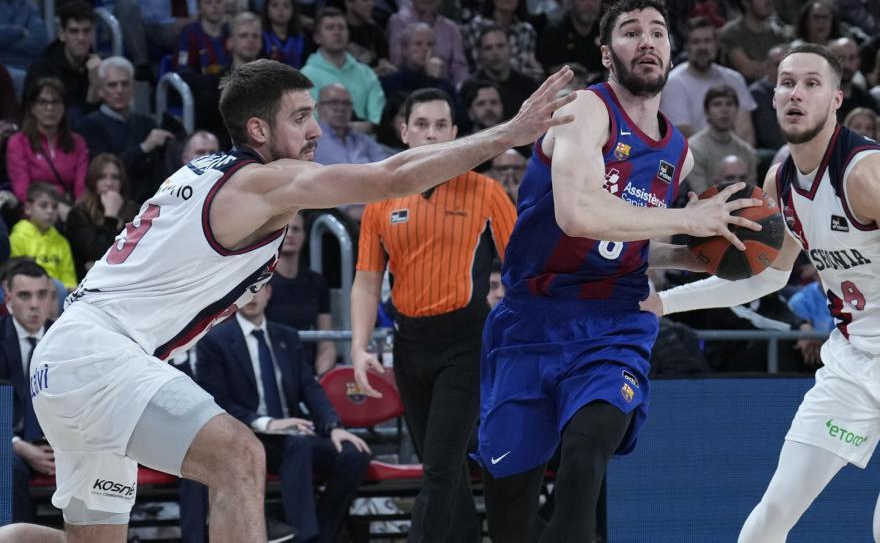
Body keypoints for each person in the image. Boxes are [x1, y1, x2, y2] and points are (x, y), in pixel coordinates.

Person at [18, 58, 572, 543]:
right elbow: (392, 174)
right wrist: (507, 134)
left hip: (65, 359)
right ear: (258, 128)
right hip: (100, 355)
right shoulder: (260, 183)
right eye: (300, 118)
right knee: (240, 458)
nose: (315, 132)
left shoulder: (203, 172)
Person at [648, 43, 880, 543]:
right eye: (787, 83)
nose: (797, 93)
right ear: (773, 98)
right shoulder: (780, 180)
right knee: (771, 515)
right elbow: (769, 276)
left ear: (836, 99)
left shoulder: (868, 174)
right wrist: (665, 300)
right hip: (856, 360)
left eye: (812, 84)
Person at [476, 0, 762, 542]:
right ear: (608, 54)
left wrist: (697, 255)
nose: (647, 40)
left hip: (615, 320)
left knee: (585, 461)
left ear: (671, 51)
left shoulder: (676, 150)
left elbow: (624, 242)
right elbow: (578, 214)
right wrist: (688, 217)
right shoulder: (585, 109)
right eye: (631, 32)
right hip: (531, 320)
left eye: (658, 31)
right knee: (511, 519)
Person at [351, 87, 518, 543]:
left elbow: (523, 268)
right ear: (404, 133)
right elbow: (366, 280)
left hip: (466, 342)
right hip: (409, 345)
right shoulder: (379, 199)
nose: (431, 134)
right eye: (421, 125)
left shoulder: (486, 191)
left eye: (441, 125)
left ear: (456, 134)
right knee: (442, 471)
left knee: (442, 469)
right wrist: (360, 347)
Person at [195, 283, 369, 543]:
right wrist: (268, 423)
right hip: (247, 437)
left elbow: (310, 388)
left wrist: (334, 427)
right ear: (235, 296)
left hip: (293, 434)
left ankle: (321, 534)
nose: (252, 297)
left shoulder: (286, 336)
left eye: (259, 289)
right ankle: (305, 537)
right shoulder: (215, 340)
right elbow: (218, 403)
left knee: (354, 455)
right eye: (246, 291)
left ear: (269, 293)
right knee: (297, 445)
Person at [0, 259, 55, 524]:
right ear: (8, 296)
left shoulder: (69, 338)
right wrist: (17, 445)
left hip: (65, 443)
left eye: (41, 295)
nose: (34, 305)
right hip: (12, 442)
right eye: (24, 295)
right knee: (5, 464)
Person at [76, 57, 176, 204]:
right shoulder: (88, 126)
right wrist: (143, 148)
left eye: (125, 84)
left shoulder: (147, 123)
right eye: (112, 85)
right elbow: (102, 172)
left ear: (133, 88)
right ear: (100, 91)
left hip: (149, 203)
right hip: (107, 203)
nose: (119, 90)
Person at [660, 17, 756, 143]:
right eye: (696, 42)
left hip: (736, 153)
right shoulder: (672, 83)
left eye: (707, 41)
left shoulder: (734, 79)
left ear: (716, 45)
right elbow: (683, 133)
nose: (702, 47)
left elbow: (746, 132)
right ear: (687, 47)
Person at [265, 213, 336, 375]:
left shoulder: (317, 283)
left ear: (304, 236)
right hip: (270, 370)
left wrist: (318, 378)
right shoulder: (260, 282)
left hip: (308, 370)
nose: (289, 234)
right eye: (285, 229)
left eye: (296, 229)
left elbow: (326, 342)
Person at [5, 78, 89, 215]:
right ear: (32, 108)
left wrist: (75, 216)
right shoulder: (18, 142)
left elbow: (82, 188)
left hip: (70, 211)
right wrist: (51, 208)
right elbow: (22, 190)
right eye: (43, 102)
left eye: (55, 102)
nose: (50, 108)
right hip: (33, 213)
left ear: (64, 108)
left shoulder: (77, 142)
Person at [301, 8, 385, 127]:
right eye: (330, 28)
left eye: (341, 27)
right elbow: (311, 121)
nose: (337, 32)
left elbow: (378, 118)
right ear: (317, 37)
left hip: (367, 141)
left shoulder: (366, 73)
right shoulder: (305, 76)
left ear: (348, 34)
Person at [23, 0, 102, 124]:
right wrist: (92, 94)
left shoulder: (100, 66)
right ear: (62, 34)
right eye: (74, 31)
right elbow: (51, 119)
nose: (81, 38)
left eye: (86, 31)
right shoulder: (43, 68)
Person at [386, 0, 469, 86]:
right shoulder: (398, 21)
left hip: (447, 92)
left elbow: (460, 68)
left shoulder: (451, 28)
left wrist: (460, 90)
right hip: (409, 88)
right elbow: (397, 62)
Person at [65, 154, 139, 280]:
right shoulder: (79, 213)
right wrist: (110, 215)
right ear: (93, 181)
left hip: (129, 279)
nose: (109, 183)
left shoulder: (134, 211)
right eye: (102, 177)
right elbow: (101, 253)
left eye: (115, 177)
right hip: (91, 282)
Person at [686, 85, 759, 194]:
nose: (724, 110)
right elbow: (701, 195)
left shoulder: (747, 152)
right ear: (707, 112)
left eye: (729, 104)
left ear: (737, 111)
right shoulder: (693, 149)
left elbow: (753, 194)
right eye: (717, 104)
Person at [10, 183, 77, 291]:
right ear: (27, 208)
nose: (50, 211)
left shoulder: (62, 242)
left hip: (58, 297)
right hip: (28, 293)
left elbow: (68, 278)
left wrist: (69, 288)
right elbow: (16, 277)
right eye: (43, 205)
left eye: (54, 207)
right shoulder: (17, 238)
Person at [537, 0, 603, 76]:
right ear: (571, 3)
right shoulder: (555, 31)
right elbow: (554, 73)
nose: (589, 4)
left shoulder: (605, 30)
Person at [314, 83, 387, 165]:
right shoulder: (311, 140)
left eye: (346, 103)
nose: (341, 108)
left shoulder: (362, 140)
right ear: (318, 107)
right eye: (334, 102)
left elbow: (384, 166)